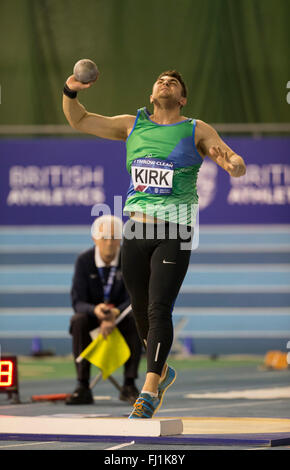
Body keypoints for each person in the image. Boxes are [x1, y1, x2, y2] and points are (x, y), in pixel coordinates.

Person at [63, 69, 246, 417]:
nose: (165, 82)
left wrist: (234, 165)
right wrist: (71, 89)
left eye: (173, 82)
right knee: (141, 312)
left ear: (182, 99)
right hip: (136, 230)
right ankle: (162, 370)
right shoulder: (132, 125)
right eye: (160, 80)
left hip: (174, 230)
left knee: (160, 308)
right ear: (151, 94)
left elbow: (229, 159)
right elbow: (80, 120)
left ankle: (149, 389)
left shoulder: (196, 129)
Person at [66, 215, 142, 405]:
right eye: (104, 237)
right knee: (78, 320)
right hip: (93, 316)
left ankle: (129, 384)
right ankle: (83, 386)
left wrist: (115, 314)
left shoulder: (130, 259)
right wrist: (96, 310)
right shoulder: (84, 261)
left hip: (121, 316)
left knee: (136, 317)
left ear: (121, 239)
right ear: (94, 238)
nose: (109, 243)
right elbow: (77, 301)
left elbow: (136, 296)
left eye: (114, 237)